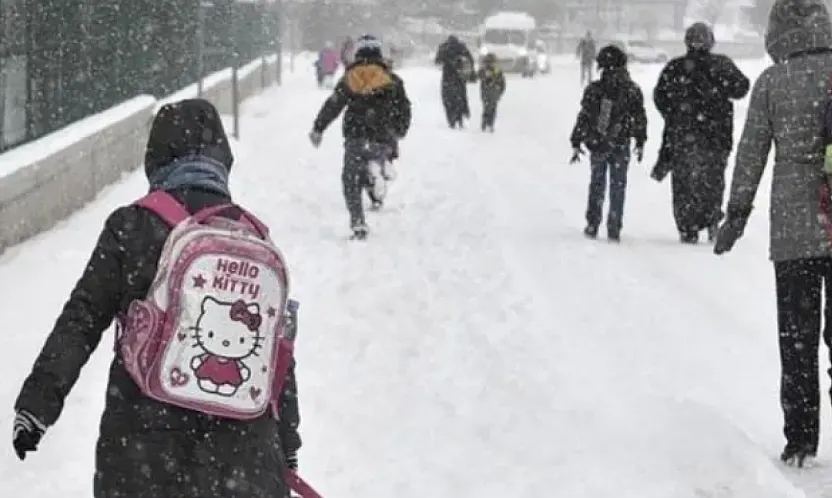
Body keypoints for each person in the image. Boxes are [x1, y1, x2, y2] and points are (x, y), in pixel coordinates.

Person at [11, 99, 304, 496]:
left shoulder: (131, 227)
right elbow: (278, 353)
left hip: (144, 449)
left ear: (156, 158)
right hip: (244, 454)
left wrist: (37, 405)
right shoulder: (251, 237)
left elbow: (81, 319)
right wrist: (286, 446)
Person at [713, 0, 832, 468]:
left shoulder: (772, 82)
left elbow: (750, 155)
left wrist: (736, 216)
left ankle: (801, 440)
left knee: (798, 338)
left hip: (795, 231)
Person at [652, 22, 749, 244]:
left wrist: (675, 115)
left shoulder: (675, 67)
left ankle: (688, 226)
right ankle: (711, 217)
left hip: (683, 136)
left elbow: (660, 97)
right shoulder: (721, 65)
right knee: (713, 180)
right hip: (716, 136)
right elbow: (742, 87)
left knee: (684, 183)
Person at [308, 34, 412, 240]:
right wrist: (400, 130)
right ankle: (380, 171)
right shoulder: (392, 80)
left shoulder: (350, 78)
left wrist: (318, 128)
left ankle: (358, 222)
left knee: (351, 178)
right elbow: (404, 108)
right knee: (377, 158)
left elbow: (334, 105)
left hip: (356, 135)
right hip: (383, 135)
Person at [569, 44, 647, 242]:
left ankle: (593, 222)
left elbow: (584, 116)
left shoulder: (595, 89)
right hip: (621, 143)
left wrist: (577, 139)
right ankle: (614, 225)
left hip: (598, 142)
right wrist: (640, 139)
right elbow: (639, 116)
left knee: (597, 182)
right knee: (618, 185)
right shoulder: (631, 89)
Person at [434, 35, 474, 128]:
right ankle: (459, 117)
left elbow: (437, 61)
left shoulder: (444, 47)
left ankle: (451, 119)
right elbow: (470, 60)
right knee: (460, 97)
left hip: (447, 76)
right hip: (459, 76)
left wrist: (446, 61)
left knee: (448, 99)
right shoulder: (461, 47)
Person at [476, 53, 506, 132]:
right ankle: (487, 123)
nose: (489, 64)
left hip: (491, 93)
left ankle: (488, 123)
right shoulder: (488, 71)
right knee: (489, 109)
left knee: (489, 108)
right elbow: (502, 83)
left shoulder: (496, 71)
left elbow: (502, 83)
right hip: (490, 93)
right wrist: (500, 91)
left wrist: (500, 92)